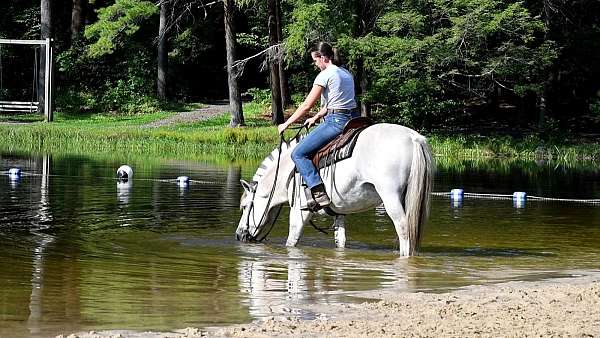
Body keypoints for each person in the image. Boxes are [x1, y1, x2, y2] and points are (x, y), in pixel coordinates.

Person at [277, 42, 359, 211]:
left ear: (323, 58)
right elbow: (336, 102)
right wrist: (316, 117)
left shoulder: (325, 75)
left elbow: (306, 105)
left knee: (298, 153)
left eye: (315, 61)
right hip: (352, 119)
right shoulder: (346, 73)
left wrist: (286, 123)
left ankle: (318, 192)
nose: (315, 65)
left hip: (336, 121)